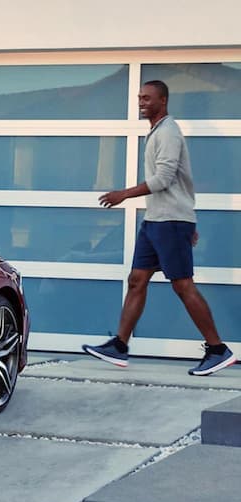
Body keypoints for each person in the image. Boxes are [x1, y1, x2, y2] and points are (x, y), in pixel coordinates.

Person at [82, 80, 235, 376]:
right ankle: (120, 346)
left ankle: (218, 349)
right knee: (137, 279)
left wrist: (124, 194)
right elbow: (180, 183)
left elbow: (164, 179)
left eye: (147, 98)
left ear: (162, 101)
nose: (141, 102)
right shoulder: (155, 132)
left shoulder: (168, 133)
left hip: (170, 222)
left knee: (182, 285)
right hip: (155, 220)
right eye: (139, 97)